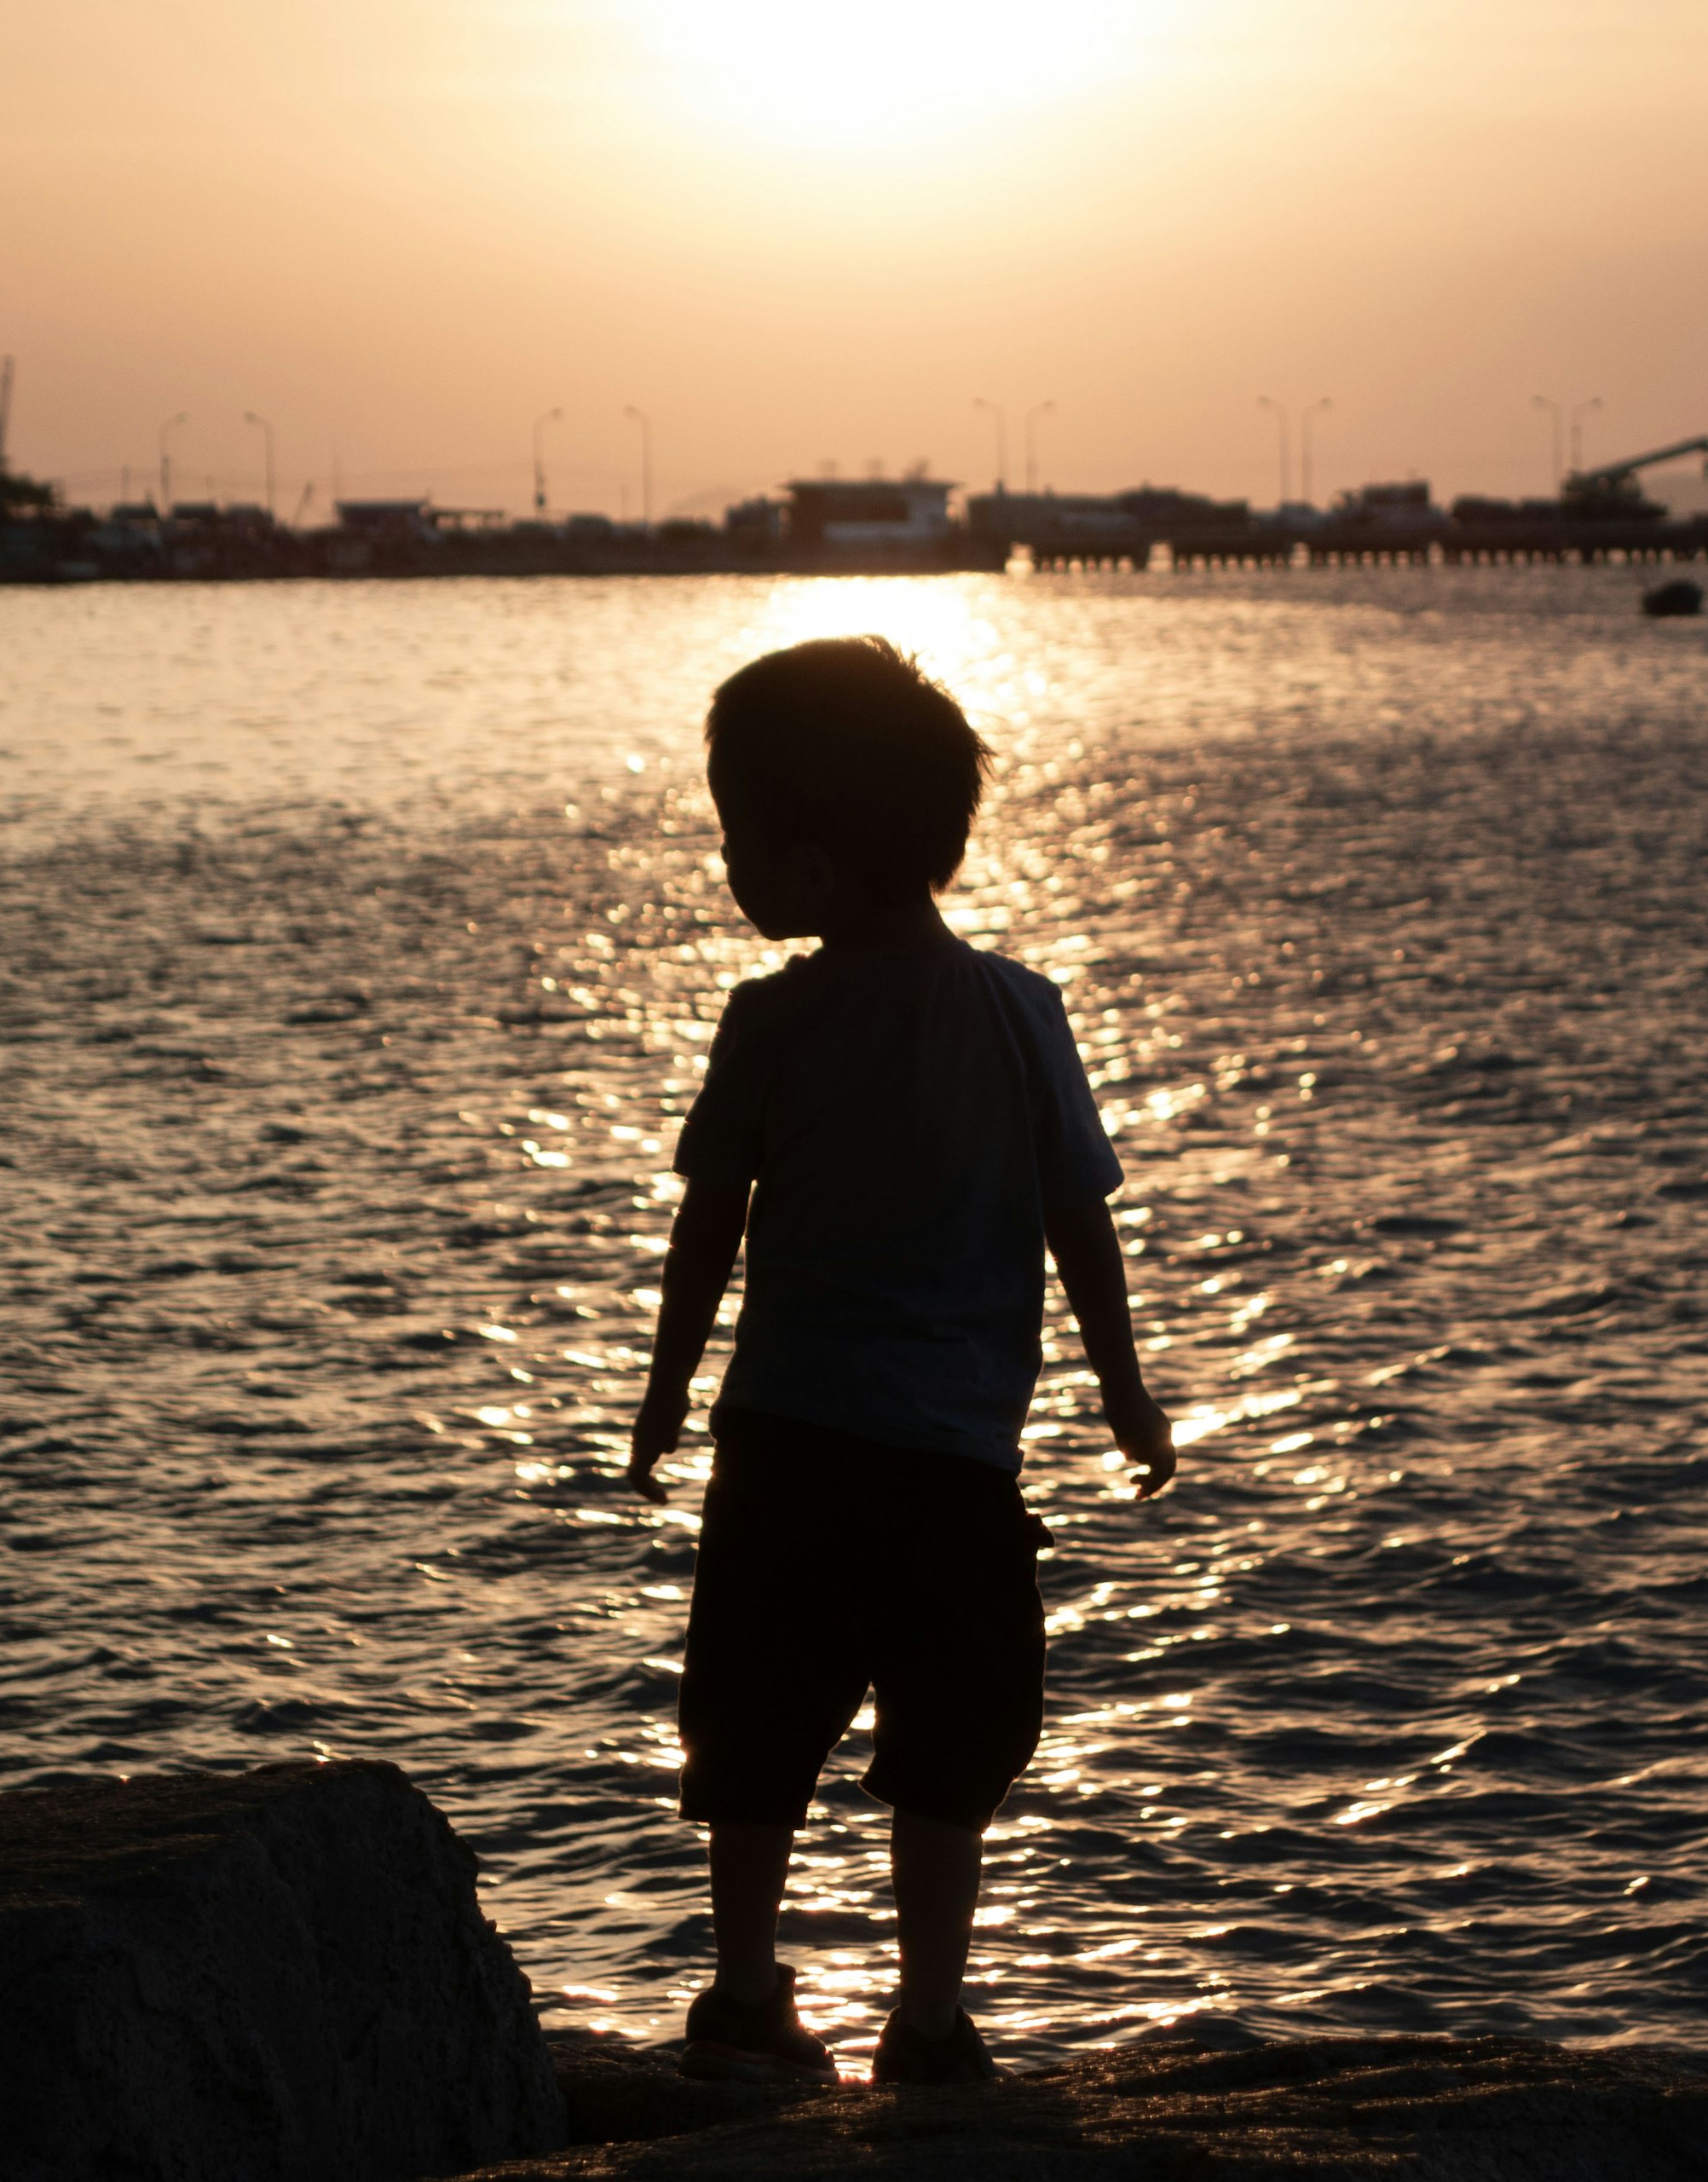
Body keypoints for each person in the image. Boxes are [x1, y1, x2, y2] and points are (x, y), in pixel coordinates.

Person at [620, 636, 1176, 2089]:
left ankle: (745, 2001)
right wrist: (1126, 1396)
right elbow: (1079, 1229)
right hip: (953, 1469)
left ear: (810, 866)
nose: (728, 867)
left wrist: (666, 1396)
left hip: (786, 1448)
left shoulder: (774, 1024)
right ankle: (929, 2023)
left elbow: (707, 1233)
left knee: (755, 1724)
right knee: (954, 1740)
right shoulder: (1019, 1013)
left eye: (739, 840)